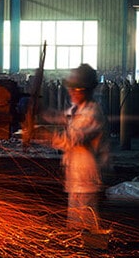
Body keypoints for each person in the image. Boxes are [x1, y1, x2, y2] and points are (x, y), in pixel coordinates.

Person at [42, 64, 110, 231]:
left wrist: (43, 135)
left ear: (86, 90)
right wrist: (40, 112)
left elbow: (72, 139)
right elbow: (61, 117)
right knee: (74, 227)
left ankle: (92, 251)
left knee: (88, 228)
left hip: (88, 180)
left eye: (76, 89)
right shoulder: (78, 108)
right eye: (71, 89)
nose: (72, 92)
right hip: (76, 178)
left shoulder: (92, 114)